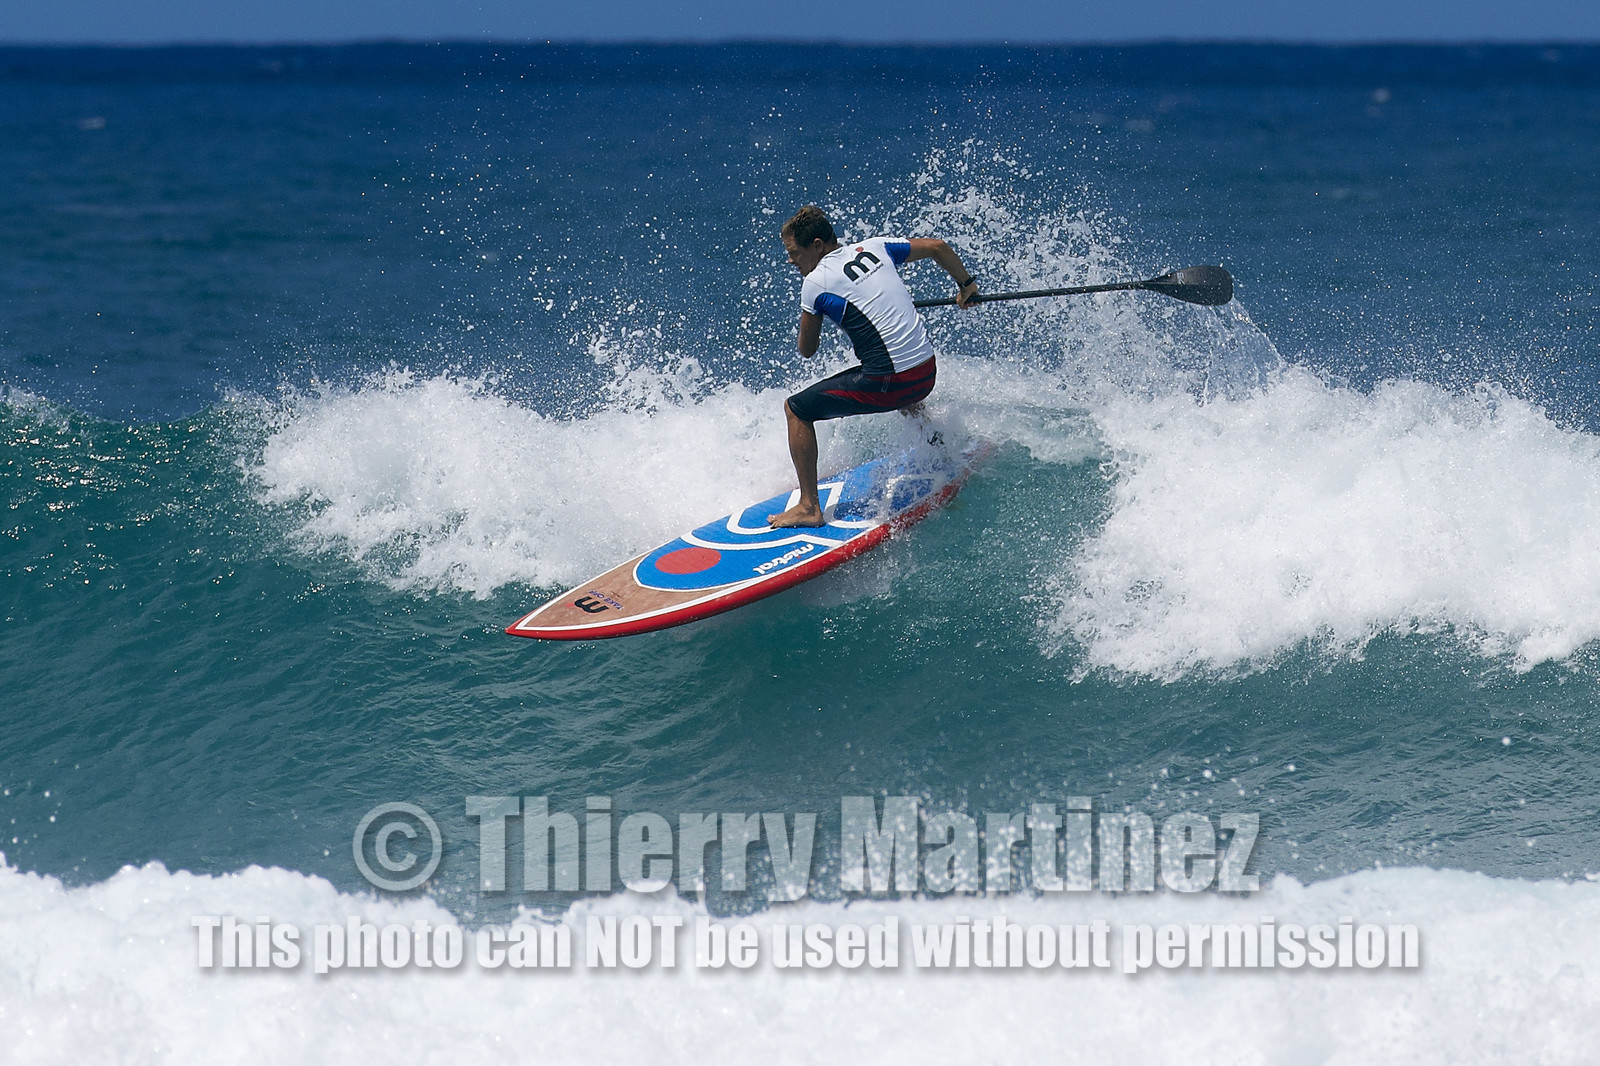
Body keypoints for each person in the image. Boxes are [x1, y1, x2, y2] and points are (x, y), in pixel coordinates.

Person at [767, 205, 980, 528]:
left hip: (893, 385)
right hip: (925, 374)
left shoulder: (815, 283)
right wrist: (966, 286)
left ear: (817, 246)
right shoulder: (875, 247)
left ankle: (809, 507)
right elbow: (937, 246)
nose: (790, 260)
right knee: (894, 363)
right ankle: (938, 446)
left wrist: (817, 311)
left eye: (794, 252)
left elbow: (807, 350)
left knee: (796, 409)